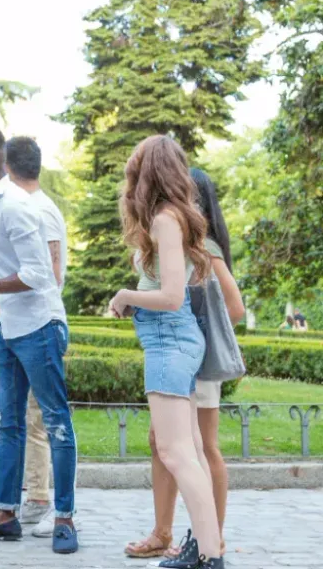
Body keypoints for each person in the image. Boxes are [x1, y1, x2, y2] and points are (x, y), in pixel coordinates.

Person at [0, 126, 79, 555]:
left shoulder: (18, 207)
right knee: (9, 424)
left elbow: (40, 274)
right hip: (10, 330)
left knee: (56, 422)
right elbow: (4, 262)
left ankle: (64, 519)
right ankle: (3, 515)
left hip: (40, 328)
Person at [108, 136, 223, 569]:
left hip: (169, 339)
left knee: (176, 453)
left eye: (134, 167)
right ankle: (205, 549)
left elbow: (172, 296)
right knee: (186, 449)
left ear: (149, 171)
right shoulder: (173, 217)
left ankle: (210, 556)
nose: (129, 176)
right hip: (174, 338)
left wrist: (126, 295)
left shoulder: (164, 220)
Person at [125, 167, 244, 566]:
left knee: (196, 451)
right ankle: (191, 539)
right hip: (188, 346)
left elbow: (234, 307)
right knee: (178, 448)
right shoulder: (184, 230)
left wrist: (198, 333)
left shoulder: (194, 239)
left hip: (189, 348)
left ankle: (209, 544)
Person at [4, 136, 68, 536]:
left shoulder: (40, 210)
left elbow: (54, 269)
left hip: (41, 322)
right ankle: (37, 496)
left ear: (8, 168)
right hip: (27, 322)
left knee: (44, 418)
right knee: (31, 417)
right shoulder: (34, 206)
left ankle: (47, 501)